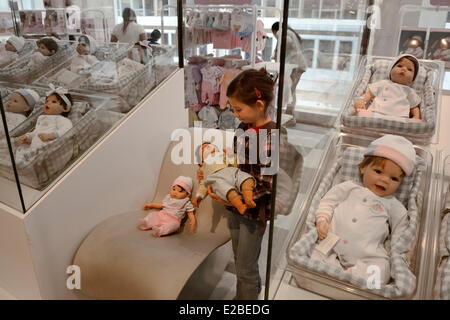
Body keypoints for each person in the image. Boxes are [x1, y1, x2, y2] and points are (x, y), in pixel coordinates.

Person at [198, 68, 277, 300]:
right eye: (233, 108)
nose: (235, 113)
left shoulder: (272, 136)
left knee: (245, 267)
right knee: (239, 257)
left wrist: (234, 195)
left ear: (259, 105)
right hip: (234, 206)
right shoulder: (243, 128)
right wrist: (218, 171)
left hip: (254, 210)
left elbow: (266, 185)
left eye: (239, 109)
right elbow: (237, 163)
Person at [312, 135, 414, 284]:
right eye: (378, 171)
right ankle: (336, 271)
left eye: (394, 179)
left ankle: (348, 275)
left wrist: (395, 251)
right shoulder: (348, 187)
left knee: (381, 271)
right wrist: (322, 220)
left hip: (368, 255)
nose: (385, 180)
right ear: (363, 167)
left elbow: (402, 229)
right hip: (332, 244)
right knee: (314, 254)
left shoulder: (393, 205)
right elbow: (327, 202)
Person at [192, 142, 256, 215]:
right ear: (201, 162)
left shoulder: (222, 156)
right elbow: (203, 185)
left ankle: (248, 199)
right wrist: (199, 197)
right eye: (205, 148)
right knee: (228, 191)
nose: (210, 147)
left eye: (211, 145)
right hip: (217, 180)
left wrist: (231, 156)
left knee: (246, 179)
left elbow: (235, 166)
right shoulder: (204, 168)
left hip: (232, 172)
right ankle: (240, 206)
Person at [354, 54, 422, 121]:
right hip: (375, 112)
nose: (404, 69)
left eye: (409, 69)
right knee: (360, 113)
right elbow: (369, 94)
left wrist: (416, 116)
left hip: (400, 118)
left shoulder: (409, 91)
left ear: (413, 79)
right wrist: (361, 100)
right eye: (399, 66)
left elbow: (414, 107)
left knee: (415, 123)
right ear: (390, 70)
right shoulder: (383, 83)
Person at [16, 86, 73, 165]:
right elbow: (36, 132)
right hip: (34, 148)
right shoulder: (41, 118)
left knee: (34, 159)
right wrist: (28, 137)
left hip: (47, 148)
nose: (48, 103)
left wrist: (51, 135)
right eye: (46, 101)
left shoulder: (61, 119)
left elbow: (67, 129)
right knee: (20, 151)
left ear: (65, 108)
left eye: (53, 102)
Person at [271, 22, 307, 115]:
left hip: (295, 66)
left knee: (291, 90)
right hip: (298, 65)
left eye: (273, 33)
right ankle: (290, 114)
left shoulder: (281, 33)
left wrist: (276, 55)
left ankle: (290, 115)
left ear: (275, 31)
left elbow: (285, 45)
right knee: (292, 90)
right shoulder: (290, 33)